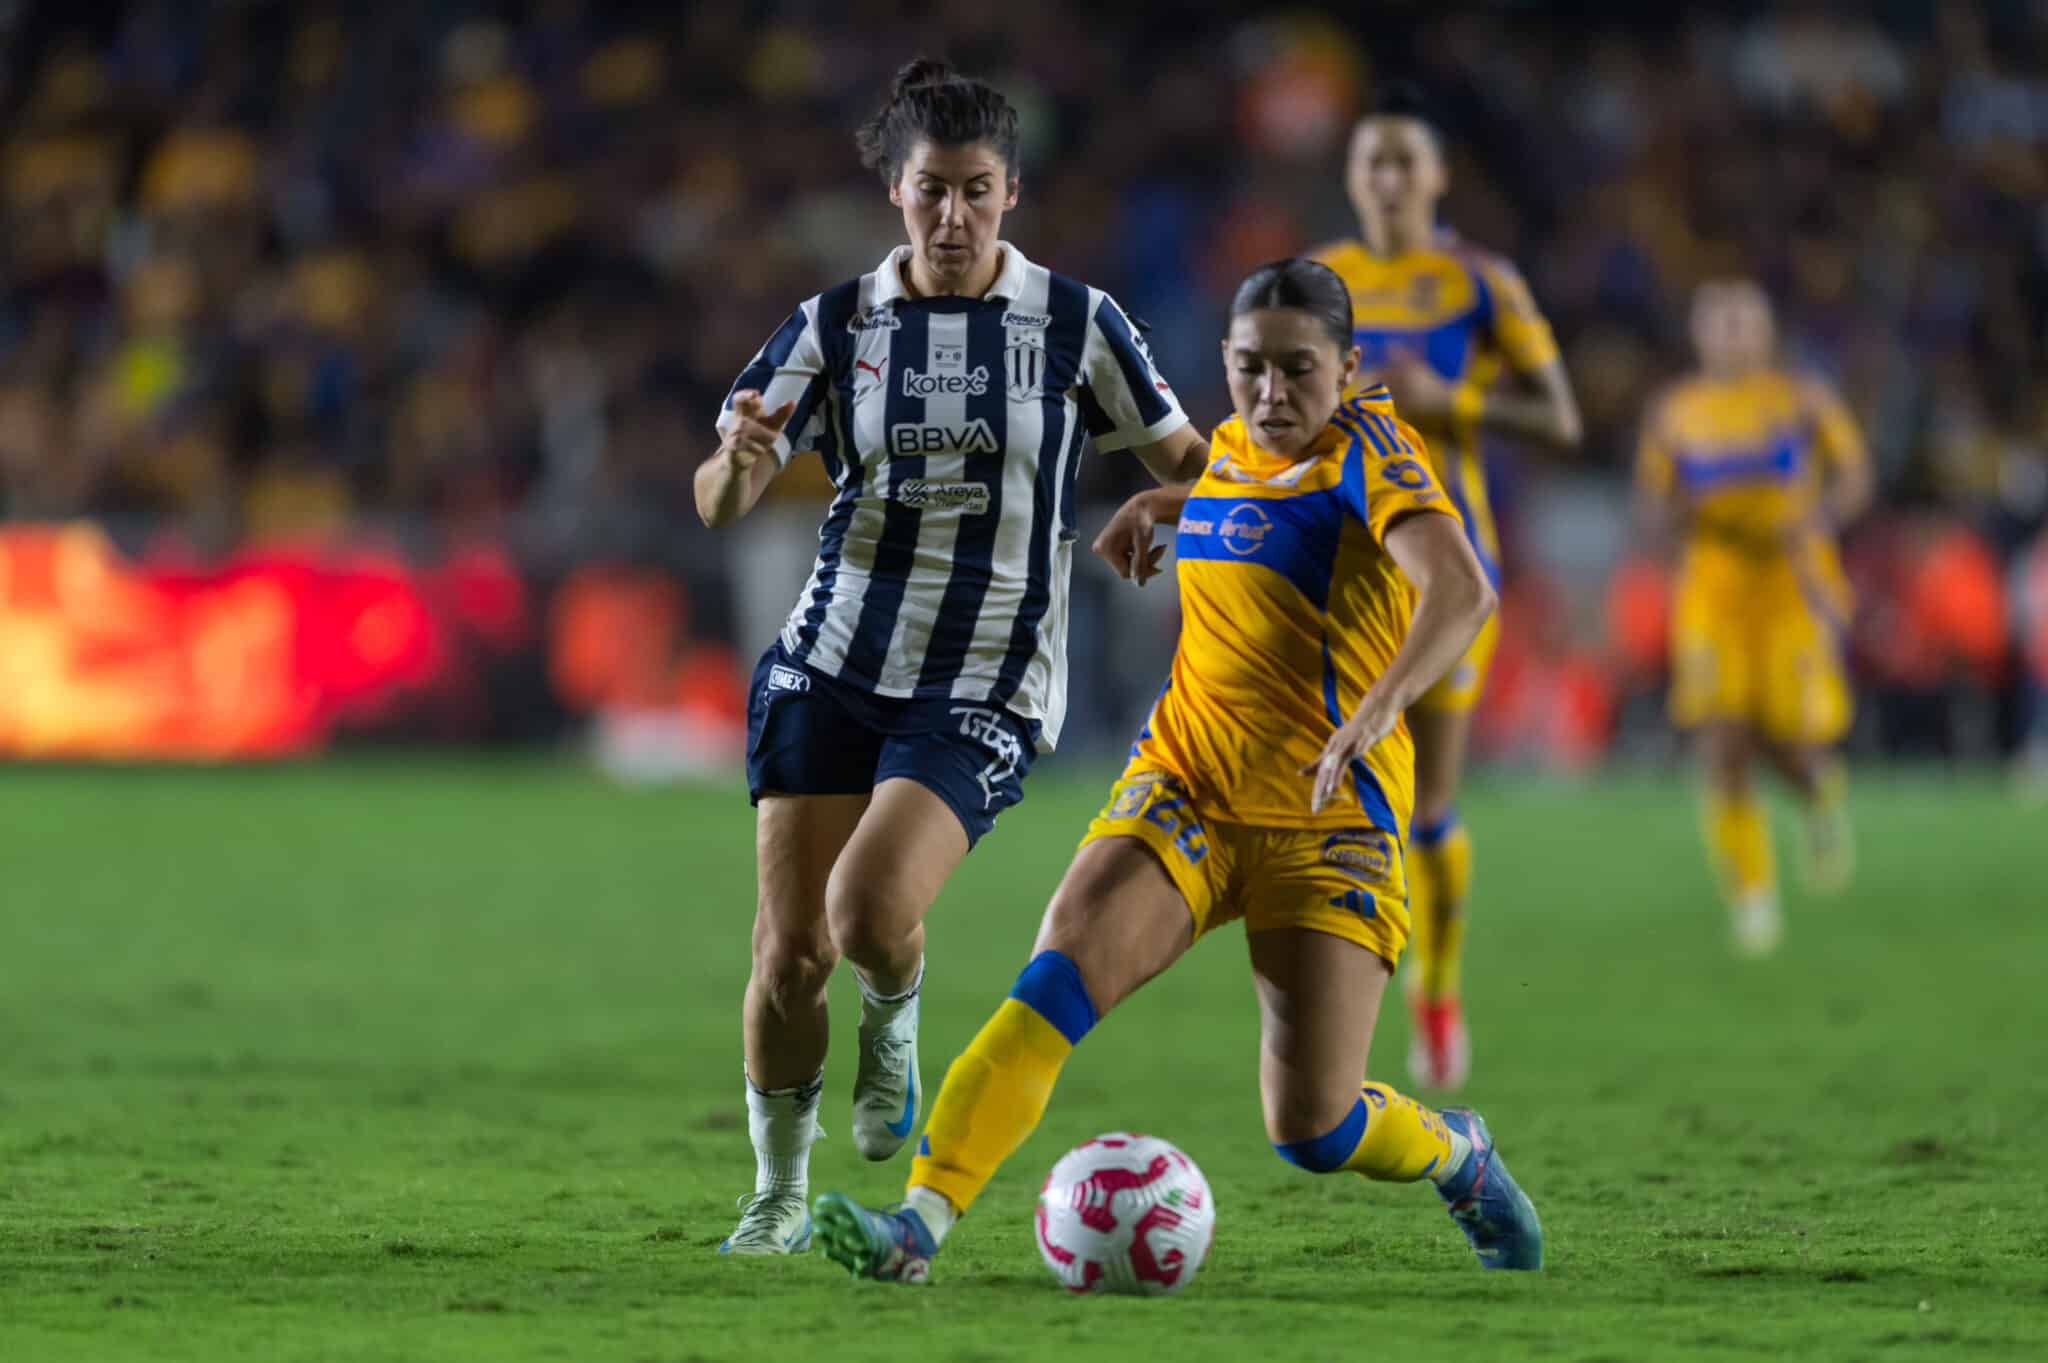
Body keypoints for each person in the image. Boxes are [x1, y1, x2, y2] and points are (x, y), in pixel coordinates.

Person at [810, 258, 1541, 1285]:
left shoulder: (1374, 452)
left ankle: (1455, 1151)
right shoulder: (1239, 443)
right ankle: (916, 1227)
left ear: (1349, 367)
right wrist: (1168, 500)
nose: (1269, 393)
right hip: (1184, 786)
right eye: (1247, 368)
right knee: (1048, 990)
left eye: (1297, 369)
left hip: (1326, 818)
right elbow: (1244, 487)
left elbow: (1458, 590)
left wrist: (1375, 713)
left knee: (1314, 1127)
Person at [695, 59, 1208, 1255]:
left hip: (985, 670)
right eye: (930, 190)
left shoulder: (1078, 324)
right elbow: (722, 496)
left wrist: (1166, 505)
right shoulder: (836, 324)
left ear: (1012, 191)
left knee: (870, 909)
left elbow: (1193, 455)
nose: (952, 217)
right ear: (894, 190)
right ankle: (773, 1195)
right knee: (786, 956)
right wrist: (740, 458)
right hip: (831, 653)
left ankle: (895, 1008)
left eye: (975, 190)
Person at [1311, 83, 1582, 1093]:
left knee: (1428, 800)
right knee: (1333, 787)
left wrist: (1453, 399)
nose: (1384, 178)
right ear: (1349, 179)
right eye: (1367, 162)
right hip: (1338, 561)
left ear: (1434, 177)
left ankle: (1437, 997)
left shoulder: (1477, 280)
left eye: (1400, 161)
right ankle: (1335, 990)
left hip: (1444, 561)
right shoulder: (1320, 279)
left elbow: (1559, 417)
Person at [1635, 279, 1870, 955]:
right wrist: (1668, 520)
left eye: (1745, 322)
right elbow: (1653, 500)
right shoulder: (1677, 411)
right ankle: (1754, 898)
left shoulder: (1800, 399)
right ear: (1699, 334)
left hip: (1793, 584)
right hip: (1714, 586)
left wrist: (1820, 515)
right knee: (1724, 739)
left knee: (1786, 739)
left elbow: (1855, 473)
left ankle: (1820, 794)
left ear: (1765, 333)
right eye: (1721, 323)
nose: (1733, 334)